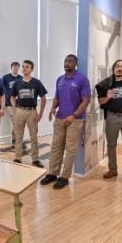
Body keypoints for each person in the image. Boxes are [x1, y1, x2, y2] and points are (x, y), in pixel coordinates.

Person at [40, 54, 90, 189]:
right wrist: (52, 109)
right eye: (65, 61)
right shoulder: (60, 79)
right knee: (56, 146)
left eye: (70, 61)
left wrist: (73, 116)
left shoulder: (82, 79)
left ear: (75, 64)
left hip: (75, 120)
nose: (66, 63)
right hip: (60, 118)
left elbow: (86, 100)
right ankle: (52, 173)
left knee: (70, 149)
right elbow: (57, 97)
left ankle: (65, 176)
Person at [95, 60, 122, 185]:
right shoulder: (107, 84)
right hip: (112, 117)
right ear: (114, 68)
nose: (120, 68)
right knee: (111, 145)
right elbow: (101, 102)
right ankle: (113, 169)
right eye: (117, 66)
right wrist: (108, 96)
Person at [10, 60, 47, 168]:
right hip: (20, 111)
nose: (24, 68)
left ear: (31, 69)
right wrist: (14, 108)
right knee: (18, 136)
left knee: (33, 136)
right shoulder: (17, 83)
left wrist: (40, 114)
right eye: (23, 66)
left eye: (27, 67)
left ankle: (35, 159)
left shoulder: (36, 82)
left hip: (32, 112)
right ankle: (18, 157)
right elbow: (12, 96)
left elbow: (43, 98)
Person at [2, 62, 22, 146]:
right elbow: (2, 90)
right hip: (9, 104)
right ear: (11, 67)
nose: (16, 68)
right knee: (15, 121)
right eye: (14, 67)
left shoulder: (21, 78)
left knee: (18, 122)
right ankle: (17, 141)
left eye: (17, 67)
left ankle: (15, 139)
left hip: (19, 104)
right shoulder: (6, 77)